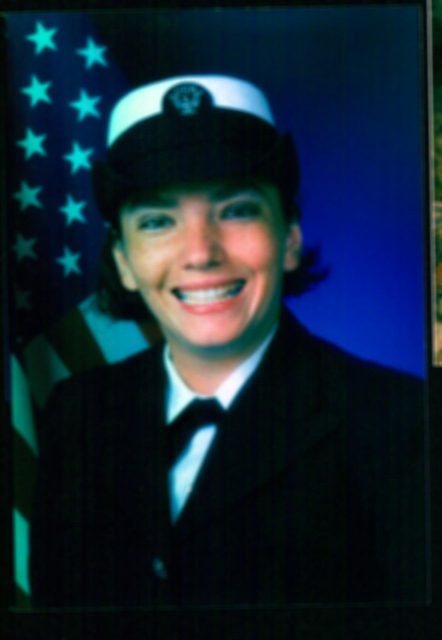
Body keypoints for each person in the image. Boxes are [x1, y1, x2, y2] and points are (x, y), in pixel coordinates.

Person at [30, 74, 427, 607]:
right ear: (123, 262)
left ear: (288, 238)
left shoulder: (404, 423)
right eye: (156, 221)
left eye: (237, 210)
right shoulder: (76, 414)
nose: (200, 252)